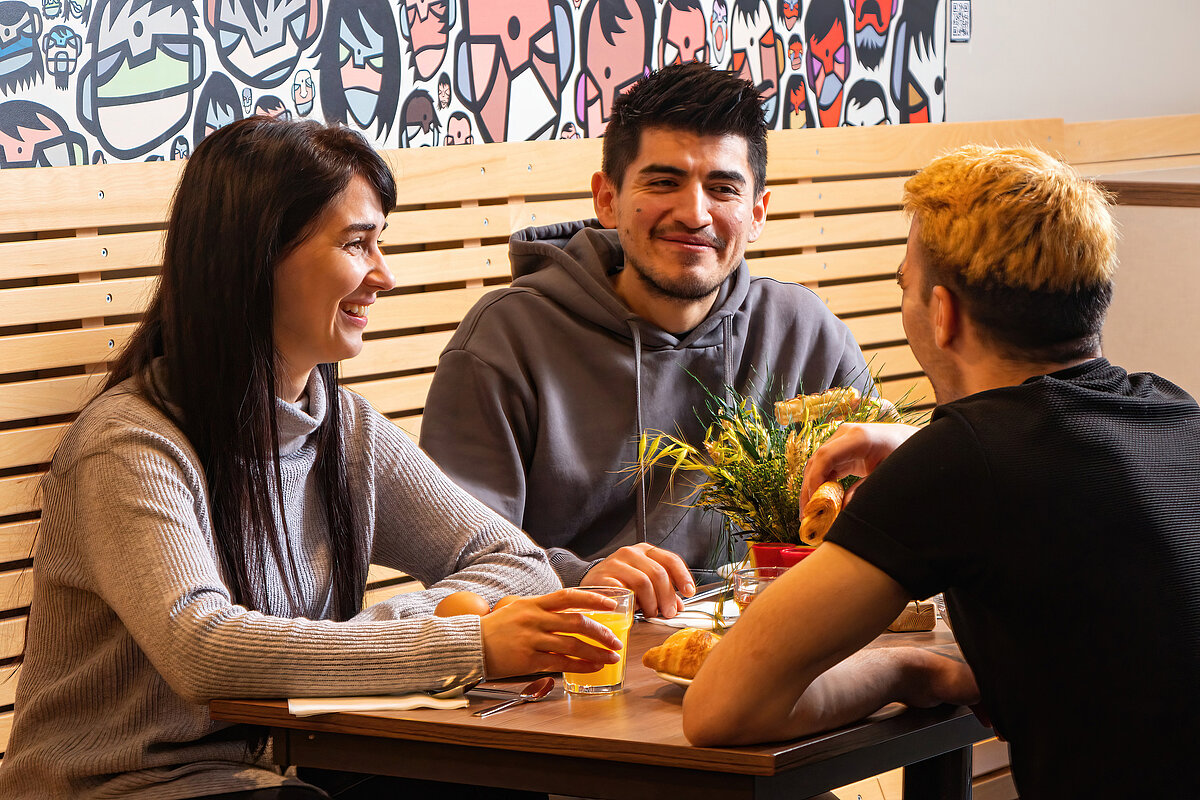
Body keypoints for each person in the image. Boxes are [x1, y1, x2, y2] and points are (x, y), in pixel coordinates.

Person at [0, 117, 625, 800]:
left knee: (497, 781)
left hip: (280, 765)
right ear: (256, 256)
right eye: (358, 244)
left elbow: (518, 563)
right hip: (119, 784)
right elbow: (203, 650)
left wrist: (421, 625)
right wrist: (467, 645)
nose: (383, 275)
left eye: (379, 243)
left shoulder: (346, 429)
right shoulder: (130, 444)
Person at [683, 145, 1200, 799]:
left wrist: (911, 673)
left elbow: (720, 708)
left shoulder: (963, 464)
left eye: (905, 287)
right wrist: (923, 449)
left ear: (943, 312)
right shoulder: (1175, 415)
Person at [420, 62, 868, 619]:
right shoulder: (505, 339)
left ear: (757, 213)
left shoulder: (805, 331)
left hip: (766, 646)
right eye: (663, 182)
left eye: (722, 188)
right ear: (606, 199)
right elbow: (456, 560)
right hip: (580, 665)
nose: (694, 213)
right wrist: (584, 578)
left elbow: (880, 516)